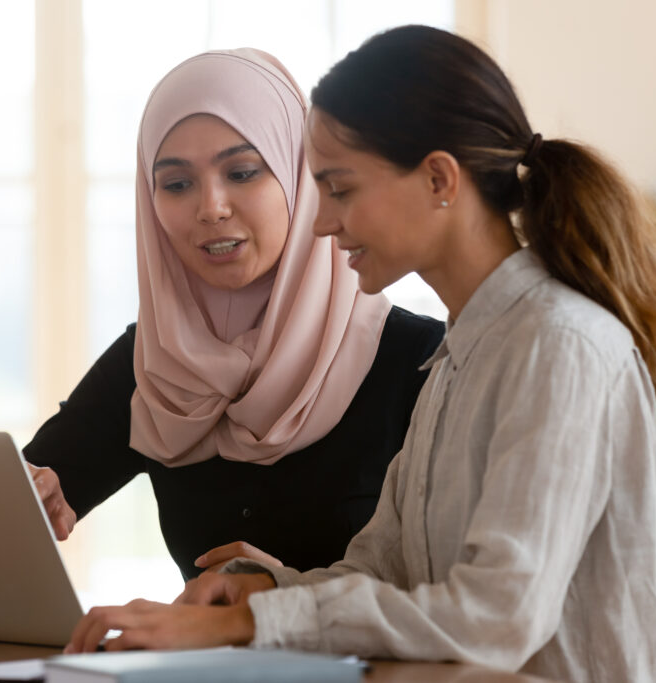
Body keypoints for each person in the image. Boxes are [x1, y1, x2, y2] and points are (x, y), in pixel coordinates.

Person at [63, 26, 656, 682]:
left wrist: (244, 625)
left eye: (341, 188)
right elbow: (382, 567)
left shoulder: (558, 345)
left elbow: (498, 615)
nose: (321, 221)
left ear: (440, 178)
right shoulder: (458, 357)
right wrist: (263, 592)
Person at [23, 48, 443, 581]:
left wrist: (284, 598)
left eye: (243, 172)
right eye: (176, 184)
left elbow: (458, 593)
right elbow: (29, 489)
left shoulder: (422, 363)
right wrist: (26, 494)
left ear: (302, 177)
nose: (211, 207)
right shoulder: (154, 360)